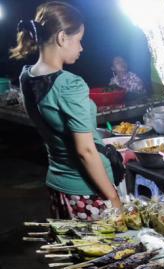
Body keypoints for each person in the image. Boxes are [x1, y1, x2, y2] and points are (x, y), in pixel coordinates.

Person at [10, 1, 121, 220]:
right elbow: (85, 151)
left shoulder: (27, 76)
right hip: (87, 192)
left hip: (58, 185)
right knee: (103, 253)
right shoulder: (70, 84)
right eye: (79, 40)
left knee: (72, 249)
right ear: (62, 37)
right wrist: (114, 198)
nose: (82, 48)